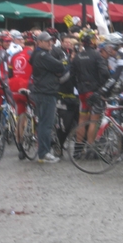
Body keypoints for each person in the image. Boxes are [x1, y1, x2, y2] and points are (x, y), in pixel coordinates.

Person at [29, 31, 66, 164]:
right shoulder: (42, 55)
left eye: (51, 40)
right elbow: (60, 65)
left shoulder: (38, 54)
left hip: (43, 91)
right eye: (47, 41)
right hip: (46, 93)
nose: (51, 42)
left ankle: (43, 152)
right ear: (39, 43)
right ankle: (44, 153)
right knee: (46, 124)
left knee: (44, 124)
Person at [71, 29, 110, 153]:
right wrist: (101, 88)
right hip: (94, 92)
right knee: (93, 120)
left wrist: (78, 87)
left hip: (82, 92)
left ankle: (77, 149)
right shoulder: (96, 55)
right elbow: (105, 73)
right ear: (92, 40)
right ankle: (91, 147)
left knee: (82, 120)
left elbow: (72, 76)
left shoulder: (77, 56)